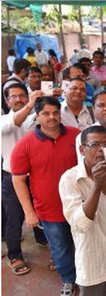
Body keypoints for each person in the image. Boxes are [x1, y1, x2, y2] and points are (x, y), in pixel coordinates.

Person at [11, 97, 80, 296]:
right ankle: (68, 280)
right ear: (37, 116)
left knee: (83, 245)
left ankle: (87, 279)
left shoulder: (76, 136)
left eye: (55, 112)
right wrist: (29, 212)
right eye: (45, 113)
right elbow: (18, 180)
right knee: (60, 248)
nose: (51, 117)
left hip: (80, 205)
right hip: (49, 210)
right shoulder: (25, 144)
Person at [60, 126, 106, 296]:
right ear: (82, 150)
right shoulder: (70, 179)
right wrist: (97, 185)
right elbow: (80, 224)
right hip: (94, 265)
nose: (101, 150)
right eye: (95, 145)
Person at [2, 84, 49, 276]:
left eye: (22, 95)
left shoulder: (32, 118)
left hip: (36, 175)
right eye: (13, 96)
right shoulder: (3, 121)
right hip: (12, 178)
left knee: (40, 210)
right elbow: (16, 121)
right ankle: (14, 255)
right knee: (15, 218)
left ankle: (41, 237)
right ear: (6, 101)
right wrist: (31, 103)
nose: (19, 99)